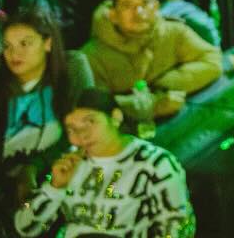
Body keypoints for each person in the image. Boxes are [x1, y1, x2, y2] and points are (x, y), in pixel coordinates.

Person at [0, 6, 94, 238]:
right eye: (7, 46)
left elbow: (84, 131)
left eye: (25, 43)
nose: (15, 54)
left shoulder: (72, 69)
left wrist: (34, 167)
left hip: (54, 176)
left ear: (48, 43)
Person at [13, 87, 196, 238]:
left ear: (115, 117)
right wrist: (54, 188)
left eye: (90, 122)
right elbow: (24, 226)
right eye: (72, 129)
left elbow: (178, 229)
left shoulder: (155, 164)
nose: (82, 135)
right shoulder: (70, 163)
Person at [81, 0, 221, 124]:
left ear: (156, 7)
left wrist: (165, 85)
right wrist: (151, 105)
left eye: (145, 3)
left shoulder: (174, 32)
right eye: (128, 6)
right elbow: (93, 109)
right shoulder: (91, 56)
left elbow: (212, 60)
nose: (139, 13)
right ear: (113, 16)